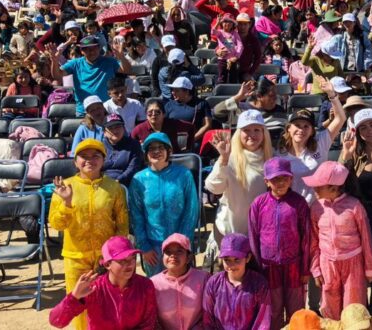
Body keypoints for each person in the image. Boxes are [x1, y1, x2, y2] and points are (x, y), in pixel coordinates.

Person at [49, 138, 130, 330]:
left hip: (106, 260)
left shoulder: (114, 188)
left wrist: (114, 256)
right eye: (83, 156)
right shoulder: (65, 187)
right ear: (75, 161)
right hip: (76, 258)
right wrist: (67, 203)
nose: (89, 160)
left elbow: (122, 225)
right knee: (79, 305)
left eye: (95, 156)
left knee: (108, 304)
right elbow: (56, 224)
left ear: (103, 160)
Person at [307, 160, 372, 319]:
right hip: (328, 265)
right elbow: (313, 241)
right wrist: (316, 269)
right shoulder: (316, 208)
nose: (314, 188)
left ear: (334, 187)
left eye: (319, 186)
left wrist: (370, 268)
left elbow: (366, 238)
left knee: (354, 306)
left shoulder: (354, 206)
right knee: (330, 307)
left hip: (353, 264)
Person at [249, 158, 313, 329]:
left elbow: (306, 238)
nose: (281, 182)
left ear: (291, 179)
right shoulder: (258, 204)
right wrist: (257, 268)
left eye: (285, 178)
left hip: (294, 265)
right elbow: (253, 237)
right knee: (273, 310)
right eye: (275, 179)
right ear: (266, 182)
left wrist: (305, 268)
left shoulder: (299, 203)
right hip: (268, 267)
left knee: (296, 311)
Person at [128, 132, 200, 277]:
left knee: (182, 285)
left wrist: (183, 244)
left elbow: (191, 211)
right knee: (156, 289)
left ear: (169, 151)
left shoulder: (184, 175)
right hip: (152, 246)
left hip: (179, 246)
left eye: (161, 147)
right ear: (146, 153)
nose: (156, 151)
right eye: (151, 148)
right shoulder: (138, 180)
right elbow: (136, 215)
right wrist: (144, 246)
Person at [49, 236, 158, 329]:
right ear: (107, 265)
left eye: (132, 258)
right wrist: (74, 297)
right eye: (122, 260)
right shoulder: (94, 289)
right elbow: (56, 321)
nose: (129, 264)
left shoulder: (145, 286)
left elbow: (148, 324)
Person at [205, 110, 273, 245]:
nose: (252, 135)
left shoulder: (271, 159)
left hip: (258, 233)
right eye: (246, 130)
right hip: (229, 231)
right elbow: (214, 188)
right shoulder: (229, 157)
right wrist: (223, 159)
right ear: (239, 133)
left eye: (257, 130)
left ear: (264, 133)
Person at [203, 232, 271, 329]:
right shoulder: (214, 283)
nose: (232, 265)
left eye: (237, 259)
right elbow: (208, 319)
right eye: (227, 260)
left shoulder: (259, 284)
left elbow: (263, 321)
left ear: (248, 258)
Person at [49, 35, 132, 115]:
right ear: (82, 51)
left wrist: (121, 56)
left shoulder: (110, 61)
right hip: (84, 110)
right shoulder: (75, 63)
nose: (91, 52)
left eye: (94, 48)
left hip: (106, 109)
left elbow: (127, 70)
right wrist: (54, 61)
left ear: (99, 48)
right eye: (87, 49)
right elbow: (57, 76)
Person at [151, 233, 210, 330]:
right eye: (168, 252)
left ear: (188, 257)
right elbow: (151, 318)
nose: (173, 255)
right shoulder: (153, 283)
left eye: (179, 251)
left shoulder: (203, 279)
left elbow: (209, 313)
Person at [101, 113, 144, 186]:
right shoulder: (99, 146)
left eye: (118, 127)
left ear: (124, 128)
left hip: (125, 183)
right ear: (104, 132)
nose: (115, 131)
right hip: (102, 182)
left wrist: (118, 180)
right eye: (111, 128)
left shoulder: (133, 145)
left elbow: (133, 168)